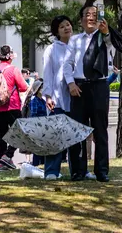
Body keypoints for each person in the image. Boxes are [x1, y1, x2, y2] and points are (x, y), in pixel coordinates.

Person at [63, 4, 122, 182]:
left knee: (100, 130)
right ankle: (78, 170)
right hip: (79, 87)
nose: (90, 18)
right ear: (81, 19)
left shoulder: (105, 38)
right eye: (87, 14)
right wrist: (70, 83)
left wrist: (106, 31)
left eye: (94, 14)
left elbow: (111, 45)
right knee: (78, 130)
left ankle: (102, 171)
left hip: (100, 86)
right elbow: (67, 64)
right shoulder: (75, 40)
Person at [43, 15, 74, 180]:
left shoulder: (78, 46)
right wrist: (48, 96)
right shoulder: (51, 49)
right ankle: (51, 171)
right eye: (62, 27)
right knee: (55, 136)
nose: (67, 28)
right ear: (57, 31)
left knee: (75, 136)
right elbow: (47, 74)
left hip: (76, 98)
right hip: (57, 97)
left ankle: (78, 169)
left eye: (68, 25)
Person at [0, 45, 28, 171]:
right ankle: (8, 155)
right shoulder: (14, 70)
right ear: (10, 56)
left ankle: (1, 162)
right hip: (12, 105)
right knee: (20, 131)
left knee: (2, 134)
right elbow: (23, 87)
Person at [25, 79, 47, 166]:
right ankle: (35, 165)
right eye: (41, 87)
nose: (43, 89)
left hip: (43, 127)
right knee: (37, 149)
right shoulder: (34, 101)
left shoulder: (43, 101)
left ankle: (42, 164)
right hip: (37, 127)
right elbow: (33, 115)